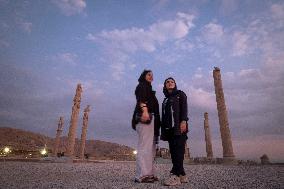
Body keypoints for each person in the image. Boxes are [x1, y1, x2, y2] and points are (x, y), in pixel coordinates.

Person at [131, 70, 161, 183]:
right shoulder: (142, 86)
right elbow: (141, 99)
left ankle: (150, 173)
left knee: (151, 149)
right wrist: (144, 111)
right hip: (145, 118)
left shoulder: (150, 89)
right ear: (143, 76)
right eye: (148, 74)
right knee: (145, 147)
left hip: (153, 121)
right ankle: (142, 175)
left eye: (152, 75)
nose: (151, 76)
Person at [161, 77, 189, 186]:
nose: (170, 83)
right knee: (174, 151)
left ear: (175, 84)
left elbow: (184, 108)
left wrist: (183, 121)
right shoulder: (165, 99)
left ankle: (175, 175)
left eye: (172, 82)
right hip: (169, 129)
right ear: (165, 85)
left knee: (178, 151)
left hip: (179, 127)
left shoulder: (180, 94)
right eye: (167, 82)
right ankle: (182, 175)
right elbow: (164, 115)